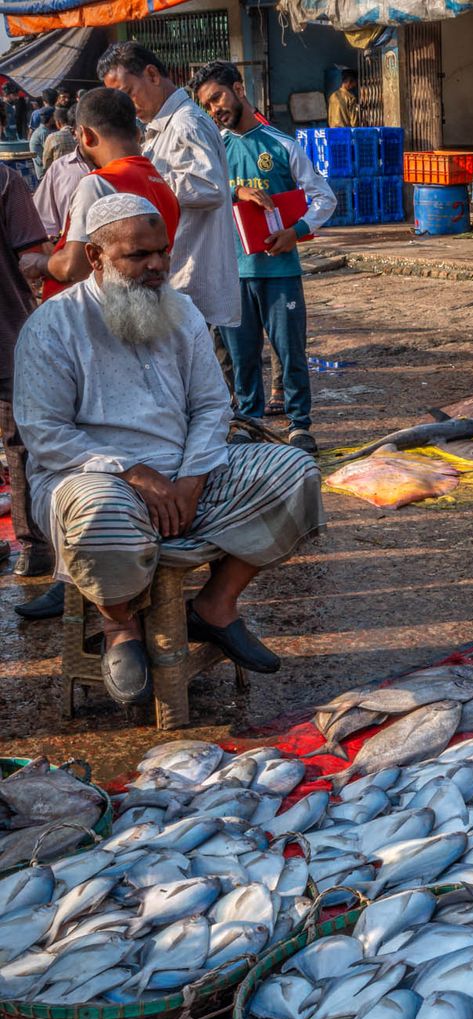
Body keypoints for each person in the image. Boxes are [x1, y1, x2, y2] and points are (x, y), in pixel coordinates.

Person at [14, 194, 322, 705]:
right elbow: (45, 433)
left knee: (294, 471)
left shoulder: (181, 310)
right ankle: (120, 626)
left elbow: (210, 406)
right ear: (96, 257)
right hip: (88, 475)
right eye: (138, 256)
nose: (157, 265)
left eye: (162, 251)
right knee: (99, 514)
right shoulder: (53, 325)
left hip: (183, 473)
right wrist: (133, 473)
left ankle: (216, 607)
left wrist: (191, 477)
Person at [191, 62, 334, 455]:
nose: (214, 109)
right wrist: (237, 191)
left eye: (217, 97)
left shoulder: (282, 144)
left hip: (280, 271)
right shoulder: (215, 150)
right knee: (242, 357)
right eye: (206, 105)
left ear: (239, 88)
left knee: (290, 352)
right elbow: (199, 193)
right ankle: (249, 421)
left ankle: (298, 424)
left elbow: (325, 198)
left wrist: (296, 232)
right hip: (231, 273)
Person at [98, 42, 240, 334]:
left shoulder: (185, 124)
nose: (127, 106)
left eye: (127, 93)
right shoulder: (162, 127)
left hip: (192, 280)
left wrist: (146, 182)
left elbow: (209, 187)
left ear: (151, 74)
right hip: (178, 282)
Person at [45, 88, 179, 295]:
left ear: (87, 136)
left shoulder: (99, 183)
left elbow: (73, 268)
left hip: (93, 316)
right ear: (137, 133)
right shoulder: (161, 182)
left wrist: (40, 263)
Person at [0, 161, 49, 596]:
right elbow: (32, 257)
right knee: (21, 442)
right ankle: (34, 548)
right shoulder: (4, 180)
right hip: (8, 331)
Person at [33, 142, 92, 245]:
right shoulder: (59, 168)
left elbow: (45, 160)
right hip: (70, 250)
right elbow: (44, 222)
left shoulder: (121, 166)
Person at [39, 104, 75, 171]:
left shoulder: (52, 137)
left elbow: (46, 163)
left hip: (59, 174)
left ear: (58, 123)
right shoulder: (79, 135)